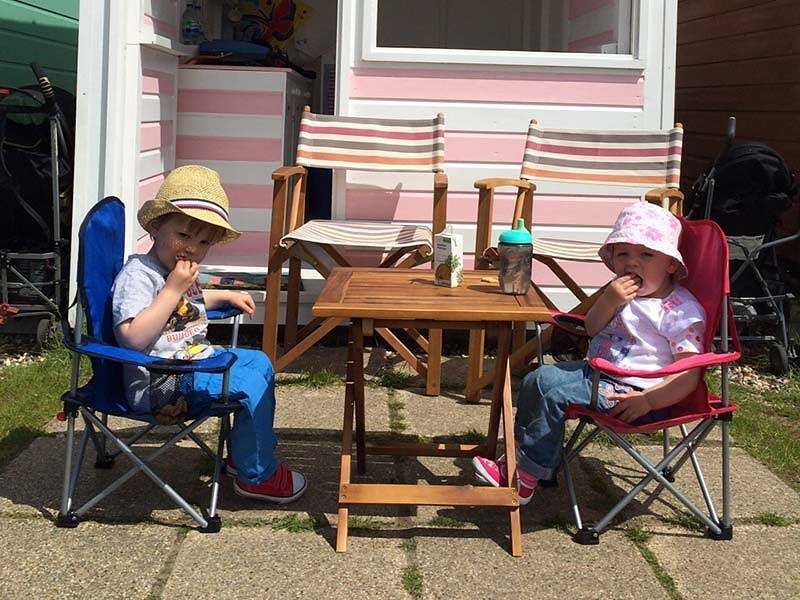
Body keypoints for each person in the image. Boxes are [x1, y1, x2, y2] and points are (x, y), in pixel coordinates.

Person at [473, 201, 705, 505]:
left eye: (646, 254)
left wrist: (649, 400)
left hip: (635, 393)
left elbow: (690, 373)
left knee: (556, 398)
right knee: (537, 379)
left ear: (671, 264)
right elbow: (593, 328)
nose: (632, 263)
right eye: (623, 254)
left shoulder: (680, 311)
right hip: (597, 374)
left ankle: (523, 480)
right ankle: (520, 457)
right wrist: (609, 300)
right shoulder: (620, 293)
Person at [111, 164, 307, 503]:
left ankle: (244, 457)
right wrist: (172, 289)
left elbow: (193, 301)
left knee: (260, 363)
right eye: (184, 236)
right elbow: (132, 337)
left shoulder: (174, 273)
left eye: (203, 242)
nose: (192, 248)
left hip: (193, 362)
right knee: (246, 387)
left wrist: (223, 296)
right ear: (156, 226)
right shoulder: (139, 275)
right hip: (162, 383)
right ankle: (257, 476)